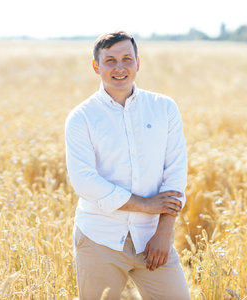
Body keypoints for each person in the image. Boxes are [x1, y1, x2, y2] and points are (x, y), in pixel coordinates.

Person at [64, 30, 191, 299]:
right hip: (100, 238)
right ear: (96, 66)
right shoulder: (81, 118)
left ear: (137, 63)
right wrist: (146, 205)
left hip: (153, 237)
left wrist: (163, 233)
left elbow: (175, 173)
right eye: (110, 60)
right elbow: (85, 181)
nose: (119, 68)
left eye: (126, 59)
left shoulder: (164, 108)